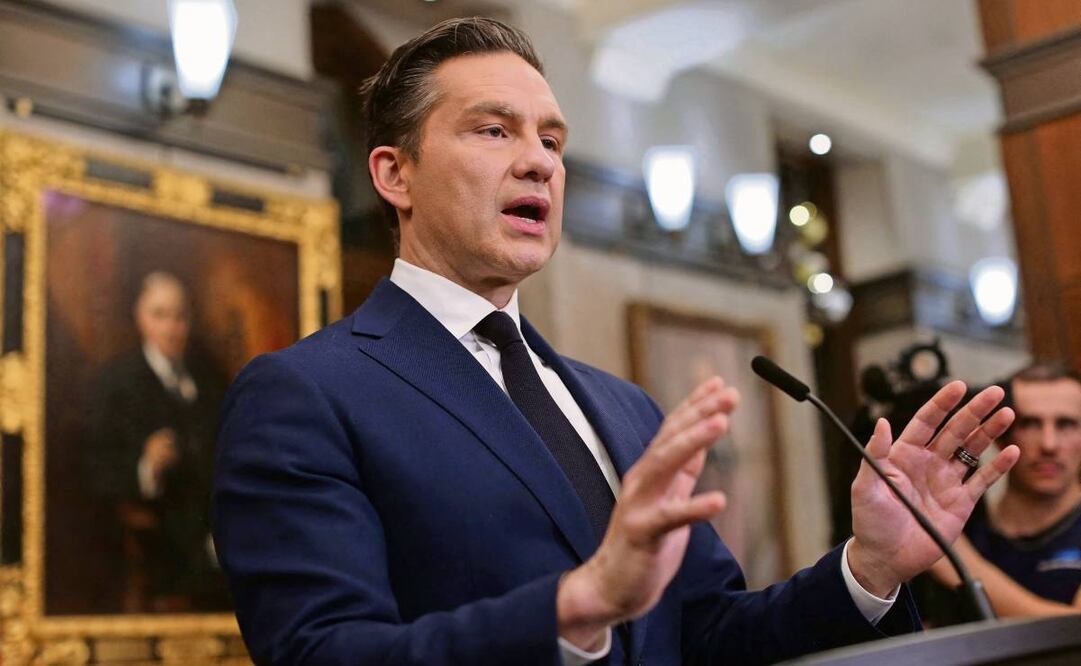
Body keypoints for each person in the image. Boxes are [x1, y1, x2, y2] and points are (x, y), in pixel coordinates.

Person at [211, 18, 1019, 665]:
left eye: (552, 141)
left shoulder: (621, 406)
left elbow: (705, 635)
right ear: (395, 174)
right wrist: (574, 607)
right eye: (493, 131)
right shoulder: (306, 393)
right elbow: (323, 652)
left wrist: (869, 567)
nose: (538, 162)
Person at [89, 271, 227, 612]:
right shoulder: (115, 382)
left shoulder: (208, 380)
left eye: (180, 317)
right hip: (161, 534)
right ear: (140, 317)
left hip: (216, 522)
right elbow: (97, 470)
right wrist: (147, 466)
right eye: (159, 315)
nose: (171, 328)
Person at [929, 362, 1081, 617]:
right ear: (1000, 435)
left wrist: (957, 560)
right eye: (1029, 424)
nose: (1049, 444)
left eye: (1066, 424)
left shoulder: (952, 543)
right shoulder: (964, 525)